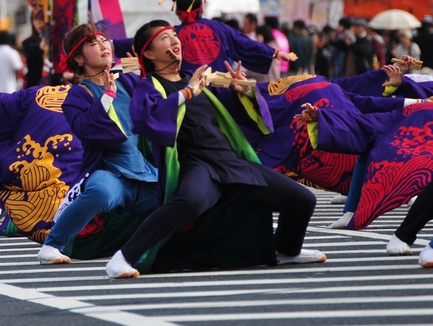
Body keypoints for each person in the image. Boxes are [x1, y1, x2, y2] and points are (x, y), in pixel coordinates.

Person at [103, 20, 325, 279]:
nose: (175, 40)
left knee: (303, 200)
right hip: (197, 164)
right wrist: (186, 93)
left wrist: (244, 92)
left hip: (231, 162)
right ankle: (123, 258)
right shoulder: (150, 86)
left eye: (175, 35)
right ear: (149, 54)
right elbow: (144, 119)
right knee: (189, 201)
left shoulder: (199, 81)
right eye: (164, 38)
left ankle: (287, 249)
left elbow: (244, 117)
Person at [36, 23, 159, 266]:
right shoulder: (78, 95)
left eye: (105, 41)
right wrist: (107, 96)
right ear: (79, 59)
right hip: (110, 171)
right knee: (100, 191)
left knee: (179, 194)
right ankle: (52, 244)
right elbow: (87, 130)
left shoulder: (128, 83)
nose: (104, 46)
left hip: (144, 172)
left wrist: (147, 73)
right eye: (94, 44)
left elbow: (158, 107)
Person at [172, 0, 294, 76]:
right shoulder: (219, 28)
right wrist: (273, 53)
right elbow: (245, 43)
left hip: (186, 95)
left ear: (177, 10)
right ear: (201, 7)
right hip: (219, 95)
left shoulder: (170, 35)